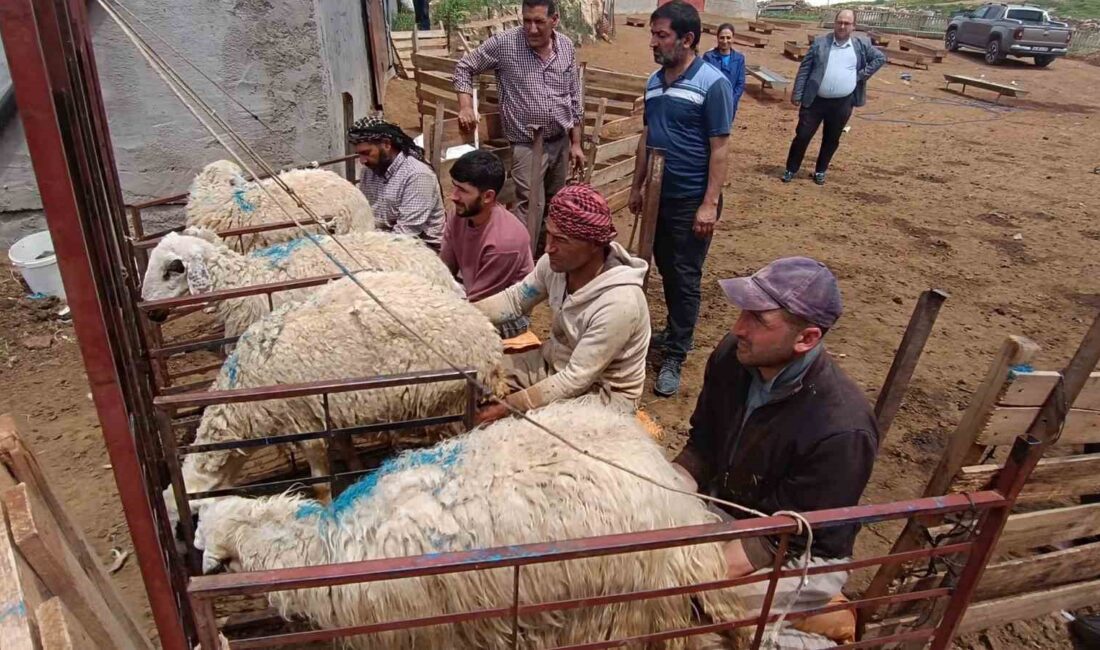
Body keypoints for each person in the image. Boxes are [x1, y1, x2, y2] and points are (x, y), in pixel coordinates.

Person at [671, 257, 878, 648]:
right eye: (743, 311)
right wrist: (663, 490)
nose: (737, 328)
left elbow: (784, 536)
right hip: (731, 510)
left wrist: (693, 578)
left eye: (758, 320)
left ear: (807, 339)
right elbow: (703, 445)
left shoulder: (841, 428)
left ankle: (818, 640)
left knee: (690, 614)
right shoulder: (733, 357)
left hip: (800, 549)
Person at [473, 184, 650, 424]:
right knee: (473, 380)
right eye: (549, 234)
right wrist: (462, 316)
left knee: (522, 437)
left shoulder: (619, 303)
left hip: (601, 393)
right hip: (552, 364)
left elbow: (575, 379)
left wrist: (507, 406)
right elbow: (515, 300)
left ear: (594, 244)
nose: (548, 247)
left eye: (562, 240)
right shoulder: (555, 265)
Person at [628, 0, 733, 398]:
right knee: (650, 265)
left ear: (687, 39)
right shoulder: (654, 83)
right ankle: (661, 333)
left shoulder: (712, 83)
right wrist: (638, 186)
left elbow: (720, 148)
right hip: (656, 196)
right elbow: (646, 136)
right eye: (653, 34)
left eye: (662, 35)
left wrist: (709, 203)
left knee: (683, 276)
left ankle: (675, 352)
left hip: (691, 199)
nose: (654, 43)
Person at [452, 0, 585, 252]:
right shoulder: (506, 44)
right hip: (526, 144)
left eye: (539, 22)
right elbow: (465, 67)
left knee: (556, 204)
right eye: (526, 20)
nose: (532, 29)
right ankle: (521, 265)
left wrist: (576, 142)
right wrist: (466, 106)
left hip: (560, 140)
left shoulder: (566, 46)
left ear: (554, 20)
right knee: (531, 206)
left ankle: (545, 261)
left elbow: (573, 96)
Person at [783, 9, 886, 186]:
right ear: (835, 23)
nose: (842, 26)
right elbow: (805, 69)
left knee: (831, 139)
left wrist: (861, 75)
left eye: (847, 23)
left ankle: (820, 171)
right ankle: (791, 169)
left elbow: (880, 58)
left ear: (853, 26)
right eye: (839, 22)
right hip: (815, 101)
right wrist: (797, 94)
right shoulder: (820, 43)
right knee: (802, 135)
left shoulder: (860, 45)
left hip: (842, 103)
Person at [440, 150, 534, 338]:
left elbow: (481, 304)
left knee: (443, 335)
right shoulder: (459, 214)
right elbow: (443, 269)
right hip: (471, 294)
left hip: (505, 315)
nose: (454, 196)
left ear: (488, 196)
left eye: (463, 191)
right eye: (454, 187)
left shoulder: (505, 242)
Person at [349, 116, 445, 249]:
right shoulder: (369, 172)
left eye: (366, 153)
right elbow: (367, 216)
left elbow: (407, 234)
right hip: (382, 241)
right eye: (359, 154)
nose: (362, 160)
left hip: (420, 248)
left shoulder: (417, 175)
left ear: (387, 144)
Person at [701, 23, 746, 124]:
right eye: (722, 38)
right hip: (711, 105)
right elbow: (704, 81)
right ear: (717, 38)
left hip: (730, 106)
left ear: (733, 38)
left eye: (728, 38)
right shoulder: (709, 57)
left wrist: (731, 101)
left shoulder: (739, 59)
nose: (725, 41)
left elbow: (740, 83)